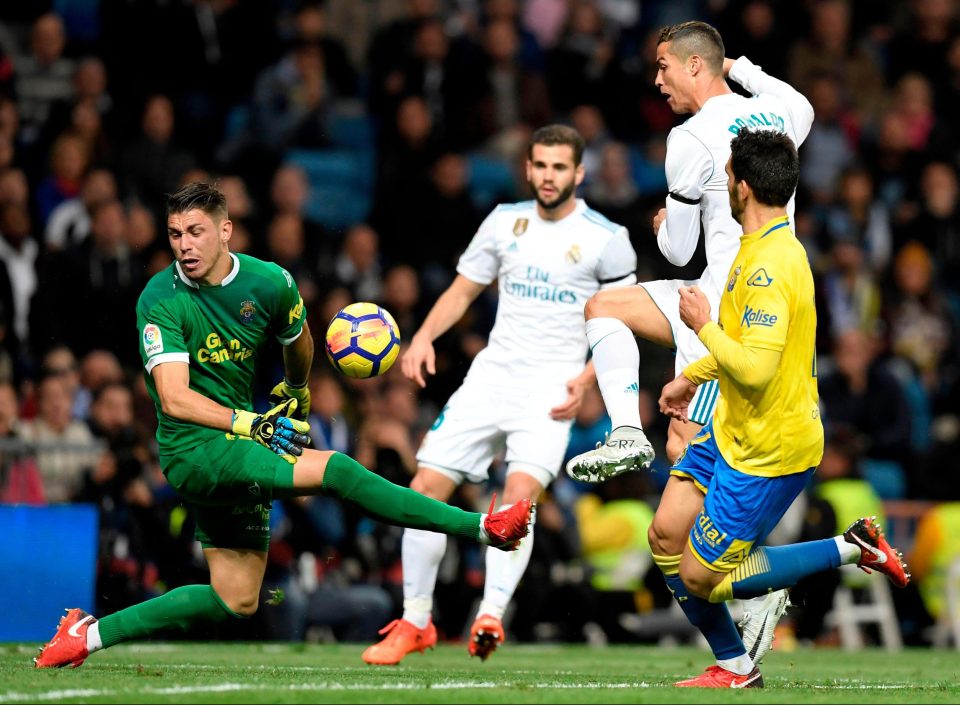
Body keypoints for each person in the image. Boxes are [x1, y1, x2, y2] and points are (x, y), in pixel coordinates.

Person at [33, 182, 532, 669]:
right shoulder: (159, 298)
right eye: (175, 234)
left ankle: (88, 635)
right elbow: (174, 397)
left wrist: (298, 388)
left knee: (237, 599)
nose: (184, 245)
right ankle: (482, 528)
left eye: (196, 231)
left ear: (226, 230)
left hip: (236, 442)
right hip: (195, 449)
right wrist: (252, 424)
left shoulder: (270, 283)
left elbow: (298, 340)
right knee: (336, 469)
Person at [565, 19, 814, 662]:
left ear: (695, 66)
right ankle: (626, 433)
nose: (657, 80)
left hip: (720, 316)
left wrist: (660, 223)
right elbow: (805, 106)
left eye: (665, 67)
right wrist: (742, 67)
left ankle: (751, 590)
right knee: (605, 305)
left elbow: (676, 248)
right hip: (726, 300)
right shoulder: (776, 114)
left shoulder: (688, 139)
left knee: (684, 485)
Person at [361, 124, 638, 665]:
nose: (549, 175)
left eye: (560, 167)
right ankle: (415, 623)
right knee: (422, 490)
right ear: (528, 168)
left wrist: (586, 381)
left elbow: (621, 321)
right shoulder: (503, 222)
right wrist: (422, 338)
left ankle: (491, 613)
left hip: (551, 387)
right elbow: (464, 289)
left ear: (578, 173)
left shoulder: (608, 238)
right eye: (540, 165)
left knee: (516, 500)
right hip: (490, 378)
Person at [654, 128, 909, 688]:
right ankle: (737, 666)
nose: (724, 179)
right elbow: (744, 350)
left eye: (727, 174)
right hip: (733, 426)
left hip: (771, 449)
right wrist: (691, 377)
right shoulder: (756, 248)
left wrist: (701, 328)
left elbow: (756, 368)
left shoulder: (771, 265)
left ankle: (849, 548)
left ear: (741, 186)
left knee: (701, 577)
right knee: (665, 537)